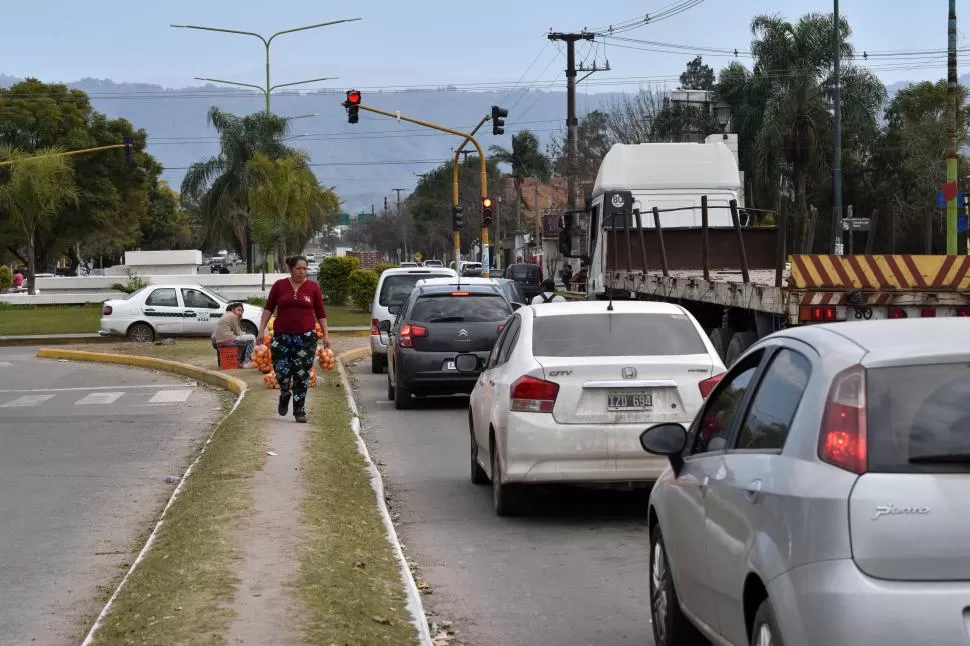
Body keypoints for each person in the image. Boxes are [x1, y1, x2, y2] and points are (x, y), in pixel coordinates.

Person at [257, 255, 330, 423]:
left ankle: (299, 409)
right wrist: (261, 330)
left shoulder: (313, 287)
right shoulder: (279, 286)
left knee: (301, 374)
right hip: (282, 337)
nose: (302, 272)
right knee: (282, 372)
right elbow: (269, 308)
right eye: (299, 268)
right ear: (290, 269)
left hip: (306, 339)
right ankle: (284, 393)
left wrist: (326, 334)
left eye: (305, 268)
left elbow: (320, 312)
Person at [213, 302, 256, 368]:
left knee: (243, 341)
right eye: (238, 310)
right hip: (227, 340)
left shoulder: (226, 315)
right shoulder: (233, 316)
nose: (240, 312)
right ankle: (247, 362)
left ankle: (238, 361)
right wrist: (245, 333)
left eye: (241, 311)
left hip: (219, 341)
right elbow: (239, 333)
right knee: (252, 338)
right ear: (232, 309)